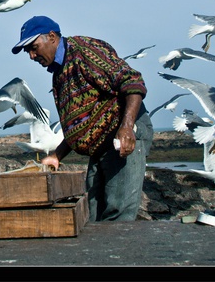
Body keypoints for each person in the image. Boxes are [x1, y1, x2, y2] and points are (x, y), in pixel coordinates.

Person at [12, 15, 153, 221]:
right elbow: (76, 125)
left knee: (118, 213)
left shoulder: (84, 51)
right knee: (93, 211)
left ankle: (119, 253)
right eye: (28, 52)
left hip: (120, 138)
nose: (32, 56)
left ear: (52, 37)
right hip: (99, 147)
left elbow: (132, 81)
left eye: (34, 47)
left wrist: (127, 127)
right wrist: (57, 156)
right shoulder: (59, 73)